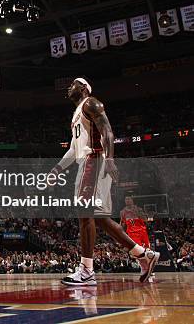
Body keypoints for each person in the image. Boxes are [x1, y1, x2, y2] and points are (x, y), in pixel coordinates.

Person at [51, 78, 159, 285]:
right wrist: (57, 169)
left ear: (83, 88)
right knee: (99, 218)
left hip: (94, 161)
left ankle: (87, 270)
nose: (68, 87)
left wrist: (109, 159)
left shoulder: (91, 103)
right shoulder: (76, 115)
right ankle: (144, 255)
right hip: (88, 162)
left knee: (84, 214)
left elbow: (108, 130)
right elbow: (74, 150)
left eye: (73, 84)